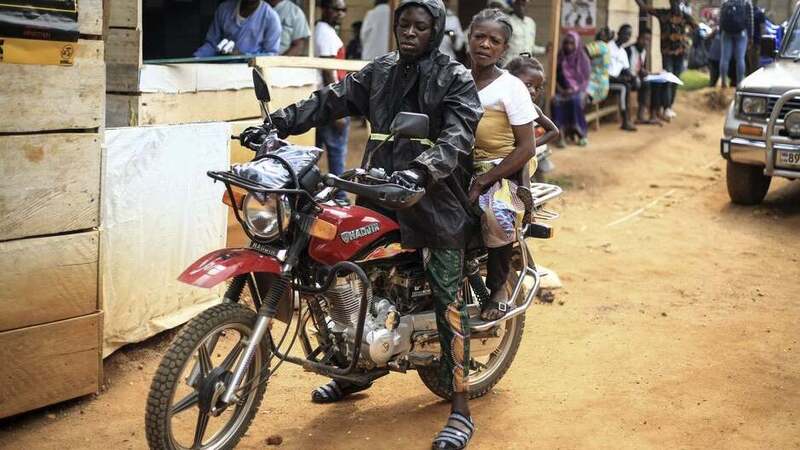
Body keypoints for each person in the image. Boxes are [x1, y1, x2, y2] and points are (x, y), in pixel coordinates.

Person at [244, 1, 483, 448]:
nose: (409, 32)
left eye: (420, 26)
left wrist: (421, 169)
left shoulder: (455, 77)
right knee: (346, 275)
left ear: (437, 31)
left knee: (447, 293)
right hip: (377, 188)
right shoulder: (382, 69)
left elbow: (458, 135)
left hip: (434, 198)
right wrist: (277, 122)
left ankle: (461, 406)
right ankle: (357, 371)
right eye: (404, 25)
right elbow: (328, 101)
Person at [466, 9, 537, 323]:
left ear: (504, 49)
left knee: (496, 212)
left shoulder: (511, 87)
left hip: (503, 165)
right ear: (469, 39)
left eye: (494, 41)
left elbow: (526, 147)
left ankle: (498, 288)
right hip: (461, 163)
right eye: (479, 37)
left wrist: (484, 181)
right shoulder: (456, 79)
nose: (485, 44)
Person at [636, 0, 697, 118]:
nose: (675, 4)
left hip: (680, 53)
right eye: (673, 2)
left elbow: (696, 27)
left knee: (675, 80)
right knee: (668, 79)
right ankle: (666, 108)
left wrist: (685, 39)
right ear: (670, 3)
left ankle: (668, 107)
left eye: (677, 2)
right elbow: (644, 8)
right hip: (667, 53)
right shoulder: (663, 14)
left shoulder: (685, 16)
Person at [315, 0, 350, 202]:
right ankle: (341, 197)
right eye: (336, 9)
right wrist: (338, 109)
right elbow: (328, 72)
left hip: (323, 101)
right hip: (330, 102)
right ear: (324, 9)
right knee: (337, 152)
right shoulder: (325, 32)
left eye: (343, 10)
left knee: (317, 151)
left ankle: (319, 194)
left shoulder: (324, 30)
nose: (340, 14)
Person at [195, 0, 282, 57]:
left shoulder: (271, 17)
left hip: (251, 72)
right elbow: (212, 44)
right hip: (222, 69)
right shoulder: (224, 9)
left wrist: (243, 56)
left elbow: (271, 55)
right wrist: (196, 58)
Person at [551, 31, 591, 147]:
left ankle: (580, 133)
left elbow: (585, 81)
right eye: (566, 43)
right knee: (556, 101)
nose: (568, 46)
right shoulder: (560, 58)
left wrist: (573, 90)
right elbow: (555, 78)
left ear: (577, 44)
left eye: (572, 43)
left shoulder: (583, 59)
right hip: (562, 91)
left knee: (575, 101)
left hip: (580, 91)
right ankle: (560, 135)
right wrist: (562, 90)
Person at [626, 28, 668, 124]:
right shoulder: (629, 50)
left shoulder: (643, 51)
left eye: (648, 40)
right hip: (629, 78)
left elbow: (641, 68)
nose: (645, 42)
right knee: (646, 84)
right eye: (644, 39)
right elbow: (626, 68)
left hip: (638, 76)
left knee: (658, 82)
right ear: (638, 38)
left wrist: (652, 73)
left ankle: (654, 113)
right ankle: (640, 115)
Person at [607, 24, 637, 131]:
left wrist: (633, 77)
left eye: (629, 35)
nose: (627, 37)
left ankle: (628, 118)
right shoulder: (609, 46)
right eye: (625, 33)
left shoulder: (623, 52)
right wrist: (621, 79)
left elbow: (626, 70)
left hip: (616, 80)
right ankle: (625, 120)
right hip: (606, 79)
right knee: (624, 87)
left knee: (629, 83)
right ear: (619, 33)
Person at [719, 0, 754, 87]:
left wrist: (721, 33)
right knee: (740, 59)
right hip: (741, 32)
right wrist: (750, 36)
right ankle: (740, 83)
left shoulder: (725, 2)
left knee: (724, 58)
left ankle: (723, 82)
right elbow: (750, 20)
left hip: (726, 33)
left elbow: (720, 19)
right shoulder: (746, 2)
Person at [585, 27, 612, 104]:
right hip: (602, 85)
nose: (598, 33)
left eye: (601, 32)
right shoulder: (607, 47)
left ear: (605, 37)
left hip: (594, 86)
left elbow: (584, 50)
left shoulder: (601, 45)